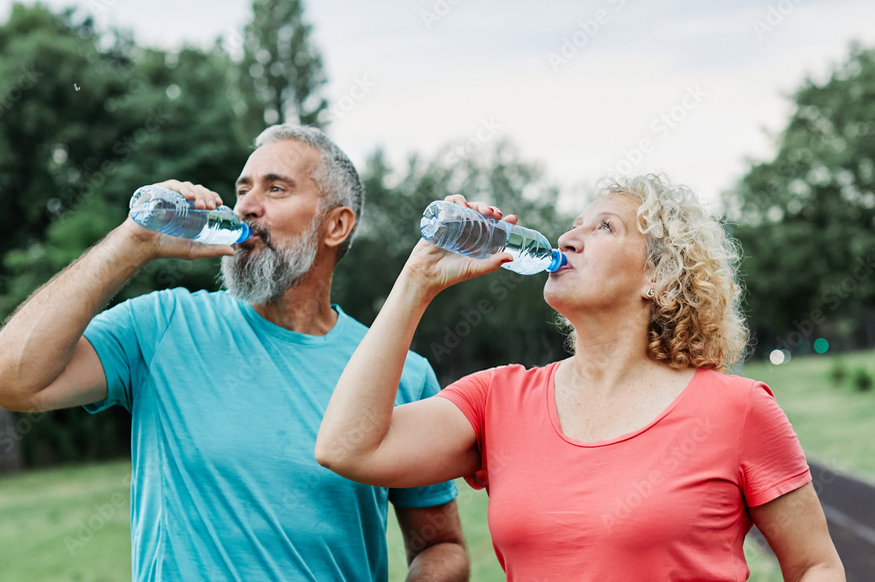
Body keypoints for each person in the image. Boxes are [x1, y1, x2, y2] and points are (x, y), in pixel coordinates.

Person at [0, 125, 469, 581]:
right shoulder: (162, 326)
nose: (248, 206)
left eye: (275, 189)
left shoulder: (402, 373)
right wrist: (134, 240)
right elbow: (9, 379)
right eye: (242, 189)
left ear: (336, 225)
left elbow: (441, 546)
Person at [316, 174, 845, 581]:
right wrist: (418, 280)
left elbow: (816, 565)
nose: (569, 236)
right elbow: (347, 447)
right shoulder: (497, 399)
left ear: (658, 277)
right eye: (575, 223)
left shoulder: (738, 409)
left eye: (604, 227)